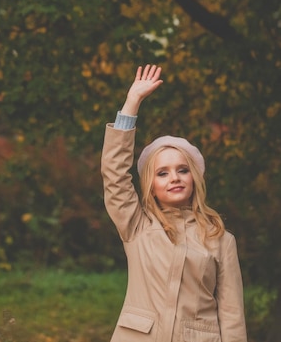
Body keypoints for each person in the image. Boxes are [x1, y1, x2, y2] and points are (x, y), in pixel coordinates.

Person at [101, 64, 247, 342]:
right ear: (152, 186)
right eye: (162, 173)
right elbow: (114, 175)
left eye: (182, 170)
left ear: (194, 177)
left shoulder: (220, 239)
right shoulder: (136, 225)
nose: (174, 178)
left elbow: (232, 316)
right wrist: (132, 103)